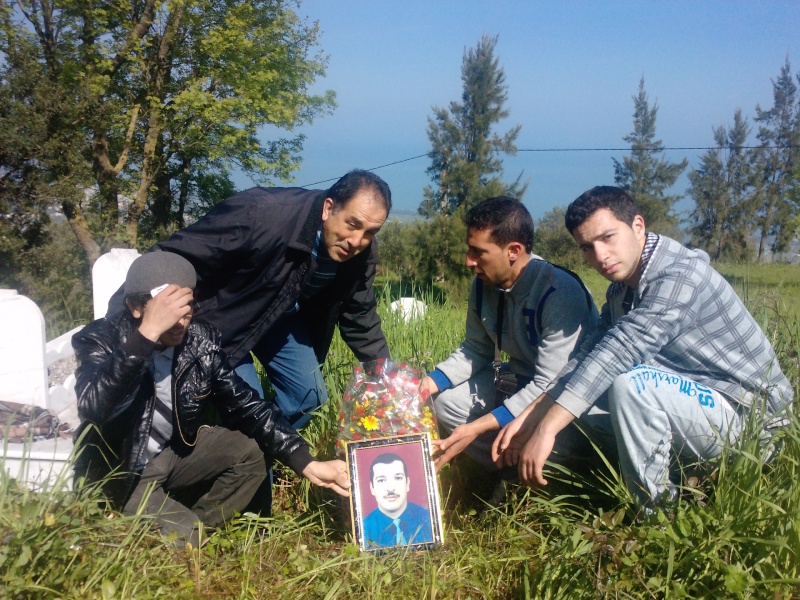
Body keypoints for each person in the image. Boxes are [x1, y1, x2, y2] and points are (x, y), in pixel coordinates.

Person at [493, 186, 794, 506]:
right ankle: (677, 480)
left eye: (607, 237)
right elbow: (587, 358)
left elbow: (619, 352)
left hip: (753, 424)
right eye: (587, 247)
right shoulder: (621, 290)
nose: (600, 256)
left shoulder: (679, 275)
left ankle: (657, 518)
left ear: (638, 226)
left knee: (631, 386)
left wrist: (546, 430)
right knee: (582, 407)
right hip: (700, 407)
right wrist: (531, 418)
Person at [73, 252, 350, 548]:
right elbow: (95, 407)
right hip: (123, 471)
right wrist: (147, 336)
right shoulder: (99, 339)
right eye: (168, 311)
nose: (180, 322)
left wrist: (305, 462)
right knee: (185, 536)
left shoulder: (199, 341)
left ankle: (193, 527)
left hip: (171, 456)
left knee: (250, 451)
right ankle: (158, 527)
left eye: (187, 307)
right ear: (136, 307)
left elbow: (248, 406)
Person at [109, 169, 392, 429]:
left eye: (370, 233)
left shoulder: (360, 254)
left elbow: (360, 317)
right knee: (247, 409)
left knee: (309, 397)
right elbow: (177, 256)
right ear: (328, 208)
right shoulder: (260, 214)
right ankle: (246, 462)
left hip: (281, 317)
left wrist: (389, 378)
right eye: (352, 225)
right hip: (222, 317)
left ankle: (276, 453)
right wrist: (122, 321)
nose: (357, 240)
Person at [418, 196, 601, 473]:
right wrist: (427, 385)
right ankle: (502, 466)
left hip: (564, 398)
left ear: (513, 250)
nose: (468, 261)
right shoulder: (483, 284)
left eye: (478, 252)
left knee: (555, 443)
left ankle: (546, 472)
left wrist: (476, 428)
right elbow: (475, 348)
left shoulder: (559, 293)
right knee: (445, 404)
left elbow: (550, 383)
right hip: (519, 379)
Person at [361, 452, 433, 548]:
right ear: (372, 488)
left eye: (398, 478)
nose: (390, 488)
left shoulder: (429, 520)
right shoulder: (363, 529)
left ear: (407, 484)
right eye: (381, 480)